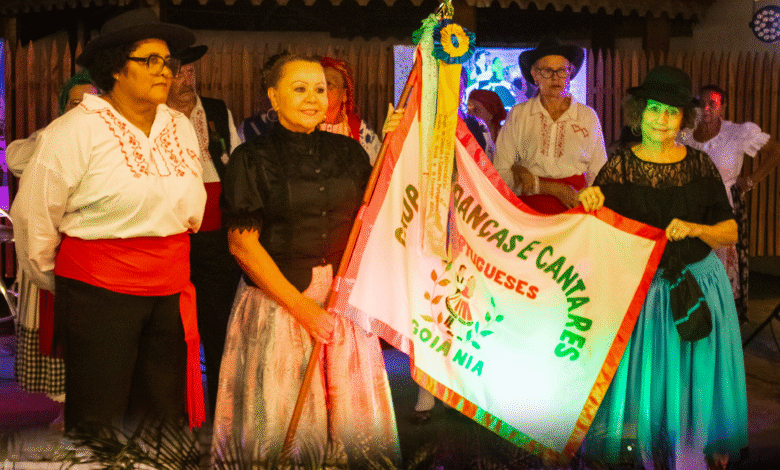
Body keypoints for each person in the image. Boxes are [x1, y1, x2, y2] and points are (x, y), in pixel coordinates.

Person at [11, 9, 206, 435]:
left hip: (169, 286)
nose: (165, 71)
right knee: (100, 411)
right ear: (116, 68)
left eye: (168, 61)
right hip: (98, 290)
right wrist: (54, 278)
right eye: (149, 60)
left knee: (161, 410)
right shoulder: (74, 130)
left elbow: (192, 204)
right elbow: (33, 217)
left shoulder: (179, 125)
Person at [210, 54, 400, 467]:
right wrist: (304, 311)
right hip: (279, 309)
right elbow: (243, 246)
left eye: (321, 88)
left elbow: (370, 219)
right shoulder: (251, 158)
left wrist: (397, 150)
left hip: (343, 307)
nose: (314, 98)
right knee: (283, 430)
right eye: (300, 89)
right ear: (273, 97)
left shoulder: (350, 152)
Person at [578, 66, 747, 470]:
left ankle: (691, 457)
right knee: (649, 384)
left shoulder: (701, 167)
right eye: (655, 109)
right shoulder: (618, 168)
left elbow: (729, 231)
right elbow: (599, 232)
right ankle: (652, 457)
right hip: (644, 293)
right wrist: (589, 204)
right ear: (639, 111)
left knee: (694, 384)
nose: (662, 120)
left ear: (683, 118)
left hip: (699, 287)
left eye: (672, 112)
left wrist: (695, 228)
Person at [8, 69, 100, 432]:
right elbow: (14, 159)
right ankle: (67, 409)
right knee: (54, 339)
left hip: (88, 258)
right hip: (48, 258)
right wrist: (58, 132)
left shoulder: (108, 146)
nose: (82, 109)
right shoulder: (50, 140)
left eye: (90, 102)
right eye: (75, 102)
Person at [168, 44, 243, 421]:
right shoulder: (155, 116)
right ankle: (178, 410)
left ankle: (219, 411)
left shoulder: (215, 110)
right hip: (173, 238)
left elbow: (237, 163)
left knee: (220, 328)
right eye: (179, 73)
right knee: (172, 330)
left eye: (192, 72)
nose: (187, 80)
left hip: (216, 234)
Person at [677, 85, 780, 323]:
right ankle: (693, 318)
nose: (705, 109)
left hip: (724, 209)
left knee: (721, 268)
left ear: (723, 108)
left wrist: (751, 180)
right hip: (692, 211)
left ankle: (721, 322)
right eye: (701, 103)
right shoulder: (686, 135)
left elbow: (775, 151)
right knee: (694, 267)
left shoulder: (737, 133)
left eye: (712, 104)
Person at [494, 36, 607, 214]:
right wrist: (550, 188)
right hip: (529, 213)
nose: (555, 77)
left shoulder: (587, 117)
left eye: (561, 70)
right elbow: (500, 173)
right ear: (535, 75)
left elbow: (600, 174)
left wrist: (589, 198)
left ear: (570, 73)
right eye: (547, 70)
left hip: (575, 210)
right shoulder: (519, 115)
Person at [319, 56, 383, 164]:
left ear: (344, 94)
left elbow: (381, 169)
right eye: (319, 86)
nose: (323, 90)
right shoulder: (302, 127)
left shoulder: (360, 131)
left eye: (329, 85)